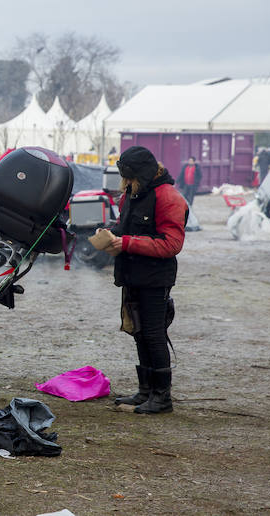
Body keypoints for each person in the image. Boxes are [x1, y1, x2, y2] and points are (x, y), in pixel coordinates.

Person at [105, 146, 188, 414]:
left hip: (155, 278)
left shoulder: (169, 198)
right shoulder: (131, 193)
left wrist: (126, 242)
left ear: (141, 174)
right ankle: (145, 392)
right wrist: (109, 234)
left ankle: (162, 398)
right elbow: (125, 226)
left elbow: (171, 244)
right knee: (139, 332)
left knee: (153, 334)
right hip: (133, 274)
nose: (125, 185)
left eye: (129, 179)